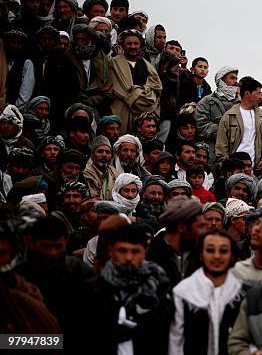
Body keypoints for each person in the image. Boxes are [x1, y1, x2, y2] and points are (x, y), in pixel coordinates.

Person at [81, 225, 172, 355]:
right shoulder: (92, 289)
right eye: (122, 251)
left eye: (135, 251)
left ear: (145, 251)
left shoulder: (160, 288)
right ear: (111, 250)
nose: (128, 258)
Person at [15, 217, 92, 346]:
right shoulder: (18, 277)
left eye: (58, 246)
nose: (52, 253)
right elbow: (8, 341)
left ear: (65, 242)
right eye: (46, 246)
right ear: (32, 242)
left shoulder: (78, 271)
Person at [169, 229, 245, 355]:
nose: (217, 256)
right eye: (210, 250)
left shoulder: (241, 291)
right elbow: (175, 340)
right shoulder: (183, 292)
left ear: (232, 256)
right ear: (201, 254)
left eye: (223, 251)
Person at [106, 29, 162, 134]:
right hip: (121, 111)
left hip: (145, 113)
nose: (133, 47)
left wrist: (140, 95)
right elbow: (114, 88)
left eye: (136, 43)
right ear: (122, 45)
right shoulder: (113, 64)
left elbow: (156, 87)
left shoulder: (147, 65)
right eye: (129, 44)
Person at [216, 76, 262, 169]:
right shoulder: (229, 116)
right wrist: (227, 167)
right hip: (234, 169)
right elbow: (221, 146)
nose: (260, 97)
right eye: (258, 93)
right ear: (247, 93)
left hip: (256, 169)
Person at [149, 196, 205, 287]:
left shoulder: (198, 255)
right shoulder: (150, 256)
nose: (205, 232)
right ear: (182, 227)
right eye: (200, 226)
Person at [195, 66, 239, 166]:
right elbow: (201, 126)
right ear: (221, 80)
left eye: (236, 78)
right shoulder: (206, 102)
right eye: (232, 78)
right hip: (214, 153)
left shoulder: (241, 103)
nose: (236, 81)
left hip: (236, 154)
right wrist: (226, 130)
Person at [83, 135, 118, 200]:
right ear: (92, 155)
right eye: (100, 151)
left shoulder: (115, 173)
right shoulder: (86, 172)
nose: (104, 155)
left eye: (107, 152)